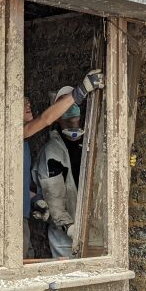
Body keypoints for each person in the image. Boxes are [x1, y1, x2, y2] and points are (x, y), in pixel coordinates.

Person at [22, 69, 103, 258]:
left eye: (75, 103)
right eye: (66, 103)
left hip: (94, 233)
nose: (73, 107)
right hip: (67, 239)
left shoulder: (90, 144)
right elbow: (54, 196)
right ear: (57, 113)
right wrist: (70, 227)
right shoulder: (53, 151)